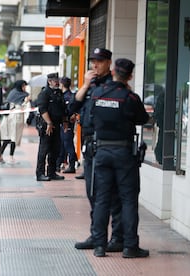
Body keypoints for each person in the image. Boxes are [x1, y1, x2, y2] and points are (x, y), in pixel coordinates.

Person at [90, 58, 149, 258]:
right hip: (124, 153)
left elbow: (90, 117)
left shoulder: (98, 93)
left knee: (102, 200)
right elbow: (143, 119)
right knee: (128, 200)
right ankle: (130, 246)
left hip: (102, 153)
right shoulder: (130, 97)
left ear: (113, 71)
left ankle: (99, 246)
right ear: (130, 75)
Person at [69, 48, 123, 252]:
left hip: (109, 146)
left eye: (99, 61)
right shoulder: (89, 85)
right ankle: (97, 235)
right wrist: (84, 85)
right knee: (94, 193)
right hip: (91, 147)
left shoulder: (114, 85)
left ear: (109, 62)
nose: (95, 65)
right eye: (93, 61)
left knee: (113, 195)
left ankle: (117, 238)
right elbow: (72, 108)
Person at [35, 73, 66, 181]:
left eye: (57, 80)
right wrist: (49, 123)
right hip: (47, 125)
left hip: (57, 125)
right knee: (44, 150)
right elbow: (42, 109)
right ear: (49, 81)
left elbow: (62, 109)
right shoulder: (45, 93)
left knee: (55, 149)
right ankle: (40, 173)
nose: (57, 82)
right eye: (54, 80)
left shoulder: (58, 93)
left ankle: (51, 172)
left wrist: (65, 121)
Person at [0, 80, 30, 164]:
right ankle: (10, 157)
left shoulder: (14, 92)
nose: (24, 88)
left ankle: (1, 156)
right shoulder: (18, 94)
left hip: (11, 118)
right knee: (13, 137)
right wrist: (26, 101)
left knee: (9, 138)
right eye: (23, 86)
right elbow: (18, 106)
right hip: (14, 118)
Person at [56, 77, 77, 173]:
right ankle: (58, 164)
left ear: (62, 84)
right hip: (65, 123)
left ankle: (72, 165)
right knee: (63, 145)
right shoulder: (69, 95)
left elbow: (69, 110)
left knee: (68, 144)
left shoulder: (67, 96)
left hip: (67, 123)